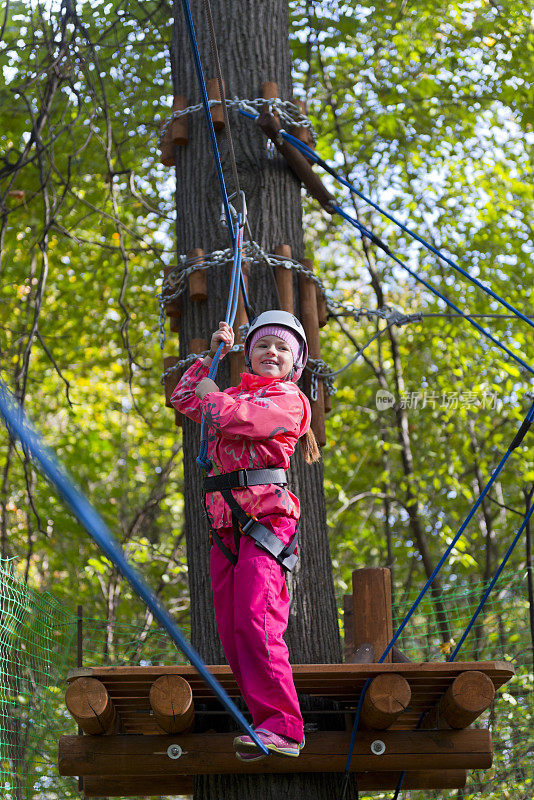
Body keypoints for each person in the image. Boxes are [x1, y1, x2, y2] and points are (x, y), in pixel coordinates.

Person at [170, 310, 320, 761]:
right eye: (261, 346)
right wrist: (211, 356)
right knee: (234, 631)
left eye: (281, 349)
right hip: (225, 525)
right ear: (248, 356)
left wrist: (212, 394)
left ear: (294, 364)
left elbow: (241, 421)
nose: (270, 353)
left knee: (258, 621)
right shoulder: (232, 393)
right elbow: (184, 397)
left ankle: (285, 727)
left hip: (266, 523)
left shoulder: (290, 399)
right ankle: (265, 723)